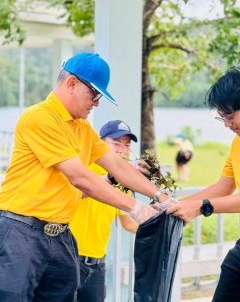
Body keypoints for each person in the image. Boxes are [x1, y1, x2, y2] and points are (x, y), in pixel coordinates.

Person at [0, 52, 170, 302]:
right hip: (22, 232)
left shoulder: (82, 129)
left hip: (61, 236)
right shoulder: (40, 117)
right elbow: (80, 178)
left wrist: (162, 196)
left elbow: (119, 168)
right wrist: (135, 207)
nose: (96, 103)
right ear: (72, 84)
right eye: (95, 95)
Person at [167, 67, 240, 302]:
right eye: (222, 117)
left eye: (230, 116)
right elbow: (224, 187)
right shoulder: (237, 144)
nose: (227, 124)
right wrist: (173, 206)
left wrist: (202, 207)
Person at [71, 119, 148, 302]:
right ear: (100, 143)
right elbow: (79, 191)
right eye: (116, 143)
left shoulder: (122, 180)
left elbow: (128, 221)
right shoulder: (85, 167)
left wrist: (158, 226)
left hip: (97, 263)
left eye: (127, 144)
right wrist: (112, 177)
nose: (122, 149)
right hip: (69, 257)